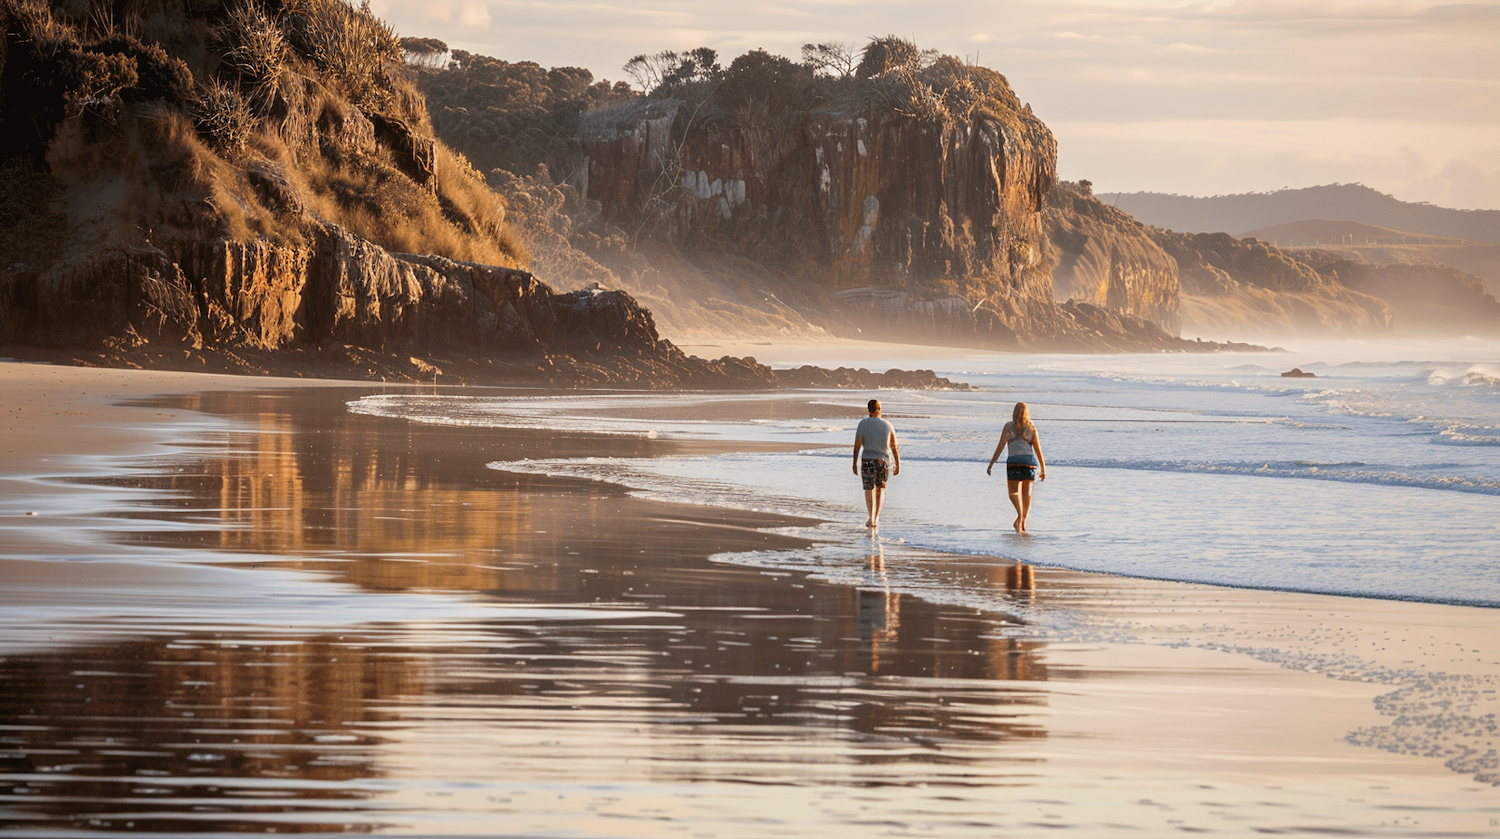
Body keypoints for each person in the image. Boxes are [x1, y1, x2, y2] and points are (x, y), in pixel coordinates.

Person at [986, 401, 1046, 534]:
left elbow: (1000, 446)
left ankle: (1019, 516)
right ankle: (1022, 523)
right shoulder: (1031, 427)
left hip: (1013, 463)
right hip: (1029, 464)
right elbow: (1038, 449)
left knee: (1013, 493)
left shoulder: (1008, 426)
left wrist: (991, 464)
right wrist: (1043, 467)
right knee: (1027, 495)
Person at [852, 398, 900, 529]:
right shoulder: (888, 425)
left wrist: (854, 462)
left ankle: (871, 517)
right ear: (878, 409)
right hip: (883, 461)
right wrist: (897, 464)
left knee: (868, 488)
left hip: (867, 459)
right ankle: (876, 518)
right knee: (880, 489)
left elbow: (857, 445)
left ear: (869, 410)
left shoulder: (863, 424)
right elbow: (894, 446)